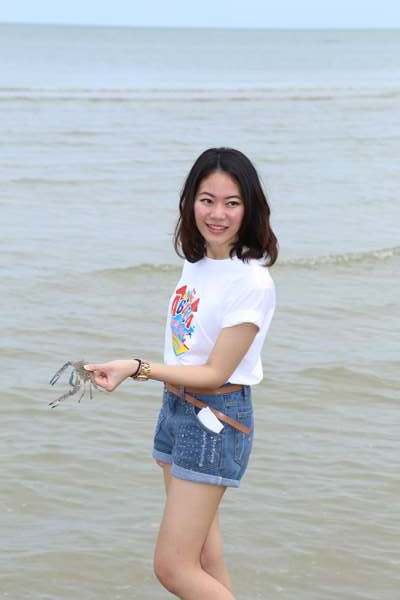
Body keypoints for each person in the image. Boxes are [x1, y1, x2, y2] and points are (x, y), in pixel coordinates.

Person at [84, 147, 278, 599]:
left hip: (214, 421)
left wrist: (136, 367)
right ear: (190, 201)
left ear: (249, 208)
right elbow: (189, 350)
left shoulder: (251, 282)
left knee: (172, 567)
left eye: (232, 203)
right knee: (204, 559)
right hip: (178, 409)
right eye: (207, 200)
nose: (217, 214)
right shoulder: (198, 261)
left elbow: (215, 372)